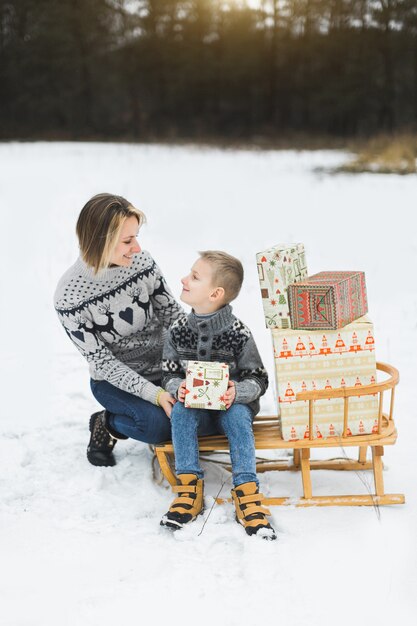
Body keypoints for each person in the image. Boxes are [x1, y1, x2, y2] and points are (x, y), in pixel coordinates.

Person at [54, 193, 217, 467]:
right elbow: (102, 362)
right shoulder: (69, 295)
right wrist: (155, 395)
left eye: (137, 237)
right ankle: (106, 423)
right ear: (100, 241)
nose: (137, 247)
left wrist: (197, 364)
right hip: (114, 381)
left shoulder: (142, 264)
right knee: (157, 428)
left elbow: (172, 315)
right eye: (128, 241)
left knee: (215, 415)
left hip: (166, 367)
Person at [160, 251, 276, 540]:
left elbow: (258, 378)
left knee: (238, 417)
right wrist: (178, 388)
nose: (184, 279)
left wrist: (239, 391)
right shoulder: (177, 330)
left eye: (194, 277)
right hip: (195, 404)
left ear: (215, 293)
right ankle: (189, 489)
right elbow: (169, 374)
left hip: (231, 405)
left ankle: (247, 493)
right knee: (182, 412)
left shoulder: (239, 333)